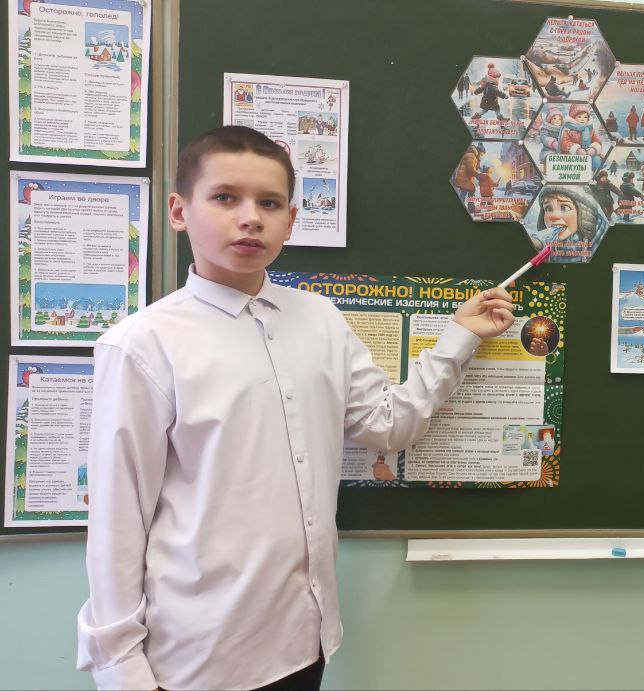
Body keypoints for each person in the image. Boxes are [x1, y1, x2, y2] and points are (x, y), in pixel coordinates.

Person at [75, 126, 516, 690]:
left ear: (291, 220)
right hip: (197, 660)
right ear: (179, 211)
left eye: (269, 203)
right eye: (225, 197)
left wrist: (460, 337)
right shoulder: (142, 345)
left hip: (305, 640)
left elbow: (388, 424)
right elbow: (117, 518)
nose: (250, 218)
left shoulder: (319, 319)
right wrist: (121, 672)